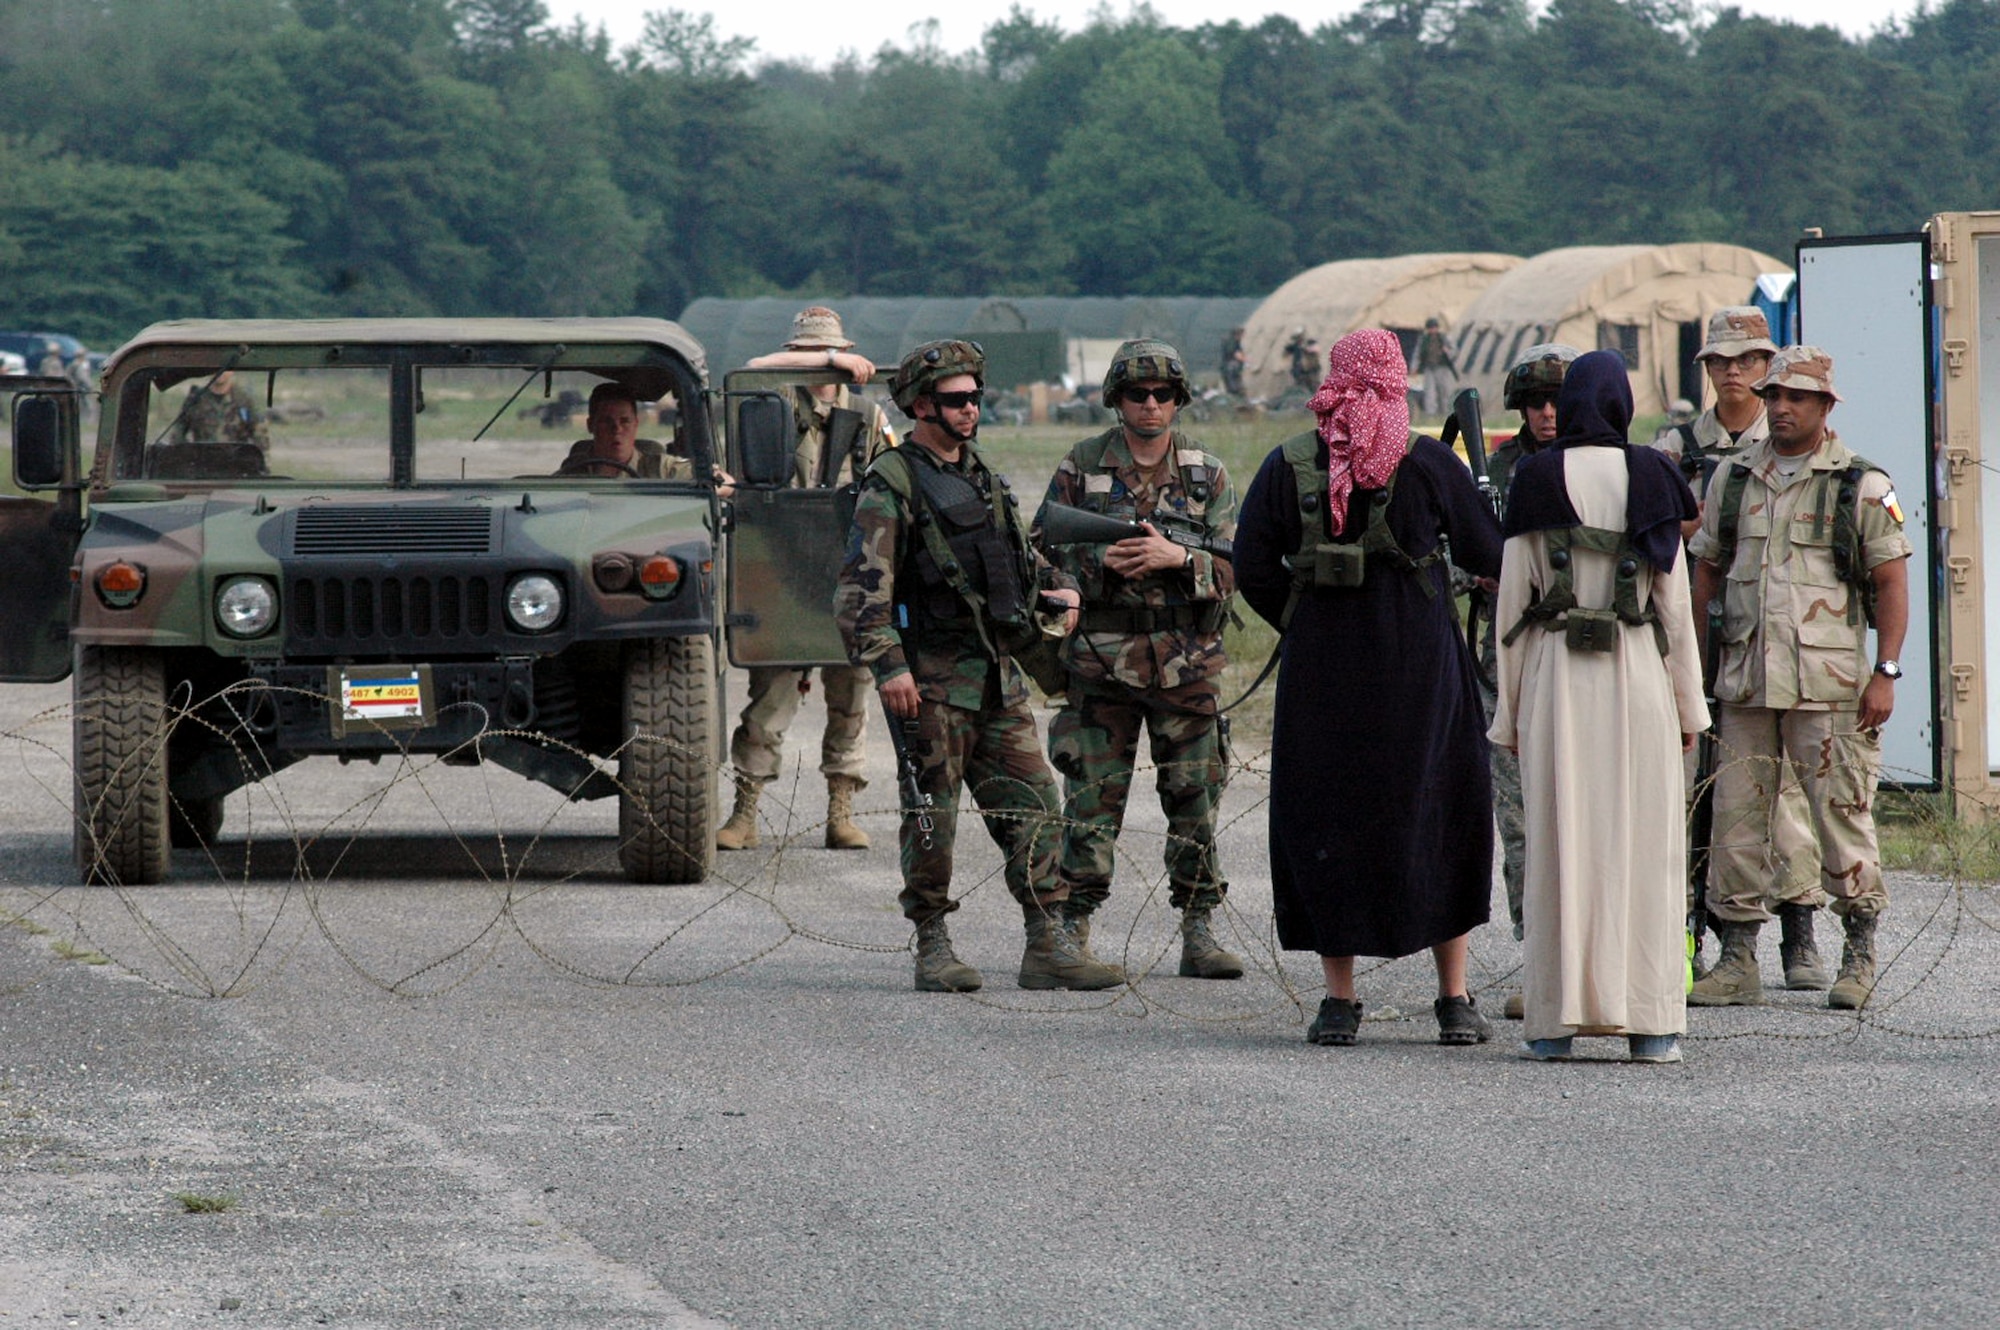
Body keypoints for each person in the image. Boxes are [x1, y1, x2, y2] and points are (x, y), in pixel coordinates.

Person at [1233, 328, 1503, 1047]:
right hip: (1421, 671)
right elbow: (1486, 551)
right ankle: (1453, 997)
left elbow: (1252, 563)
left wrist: (1302, 618)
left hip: (1324, 674)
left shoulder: (1289, 462)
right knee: (1441, 811)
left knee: (1328, 821)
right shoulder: (1428, 462)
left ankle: (1339, 1001)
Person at [834, 340, 1119, 994]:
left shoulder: (980, 474)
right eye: (957, 401)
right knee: (933, 819)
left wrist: (1058, 585)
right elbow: (859, 591)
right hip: (928, 686)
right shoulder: (893, 481)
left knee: (1036, 805)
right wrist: (889, 667)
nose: (971, 411)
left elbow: (1018, 558)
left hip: (995, 676)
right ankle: (932, 943)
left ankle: (1047, 945)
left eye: (975, 399)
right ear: (921, 405)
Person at [1488, 351, 1707, 1063]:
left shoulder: (1536, 476)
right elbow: (1672, 609)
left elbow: (1512, 604)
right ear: (1621, 402)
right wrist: (1687, 709)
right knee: (1645, 848)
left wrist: (1510, 713)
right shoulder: (1653, 474)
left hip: (1557, 682)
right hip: (1639, 676)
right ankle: (1651, 1027)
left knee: (1559, 844)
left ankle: (1554, 1025)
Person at [1687, 346, 1912, 1011]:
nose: (1781, 407)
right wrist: (1698, 664)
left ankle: (1859, 950)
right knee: (1736, 823)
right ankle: (1737, 958)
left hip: (1830, 688)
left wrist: (1887, 673)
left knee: (1841, 818)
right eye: (1774, 396)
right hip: (1746, 685)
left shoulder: (1861, 485)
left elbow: (1892, 581)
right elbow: (1706, 571)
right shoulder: (1732, 479)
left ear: (1824, 406)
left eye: (1797, 398)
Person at [1032, 339, 1242, 984]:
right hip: (1101, 660)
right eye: (1136, 394)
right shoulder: (1084, 463)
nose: (1150, 405)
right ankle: (1071, 927)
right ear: (1116, 399)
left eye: (1163, 395)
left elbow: (1239, 563)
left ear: (1179, 400)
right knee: (1091, 802)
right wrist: (1101, 564)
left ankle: (1199, 926)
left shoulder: (1207, 473)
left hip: (1187, 661)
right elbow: (1042, 549)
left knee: (1195, 800)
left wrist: (1179, 561)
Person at [1655, 307, 1823, 988]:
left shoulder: (1786, 443)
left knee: (1781, 798)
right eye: (1721, 362)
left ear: (1767, 369)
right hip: (1701, 633)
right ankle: (1709, 936)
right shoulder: (1676, 446)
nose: (1735, 373)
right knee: (1705, 798)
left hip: (1774, 636)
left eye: (1749, 361)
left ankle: (1801, 930)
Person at [714, 306, 898, 852]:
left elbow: (890, 484)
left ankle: (841, 810)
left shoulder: (865, 416)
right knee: (770, 701)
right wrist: (831, 357)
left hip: (846, 570)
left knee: (850, 696)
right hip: (780, 569)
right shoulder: (767, 407)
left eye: (831, 355)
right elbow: (750, 368)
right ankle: (746, 812)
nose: (822, 369)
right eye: (812, 356)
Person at [1481, 343, 1580, 1021]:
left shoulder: (1609, 466)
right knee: (1520, 823)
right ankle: (1537, 955)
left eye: (1558, 402)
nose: (1547, 414)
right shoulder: (1494, 475)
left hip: (1589, 658)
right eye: (1536, 403)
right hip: (1512, 666)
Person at [166, 369, 269, 449]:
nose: (220, 371)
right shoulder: (195, 400)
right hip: (203, 467)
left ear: (232, 370)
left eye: (225, 367)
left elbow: (261, 438)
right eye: (216, 367)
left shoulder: (244, 401)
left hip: (236, 469)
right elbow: (177, 435)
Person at [1411, 317, 1459, 418]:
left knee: (1444, 392)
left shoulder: (1444, 338)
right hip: (1429, 368)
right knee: (1430, 393)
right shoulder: (1424, 340)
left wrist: (1448, 352)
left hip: (1442, 368)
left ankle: (1446, 414)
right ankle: (1431, 415)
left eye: (1434, 327)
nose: (1432, 330)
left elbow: (1454, 351)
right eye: (1430, 328)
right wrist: (1414, 367)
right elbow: (1417, 354)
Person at [1284, 330, 1319, 394]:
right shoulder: (1297, 346)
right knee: (1301, 381)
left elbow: (1312, 351)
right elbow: (1287, 350)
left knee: (1312, 382)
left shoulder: (1307, 345)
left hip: (1309, 368)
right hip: (1300, 368)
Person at [1219, 326, 1246, 396]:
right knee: (1233, 388)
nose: (1243, 336)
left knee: (1235, 386)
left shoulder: (1235, 341)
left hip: (1231, 368)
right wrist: (1245, 360)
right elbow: (1234, 353)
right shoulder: (1231, 342)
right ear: (1237, 334)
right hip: (1230, 368)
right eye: (1242, 334)